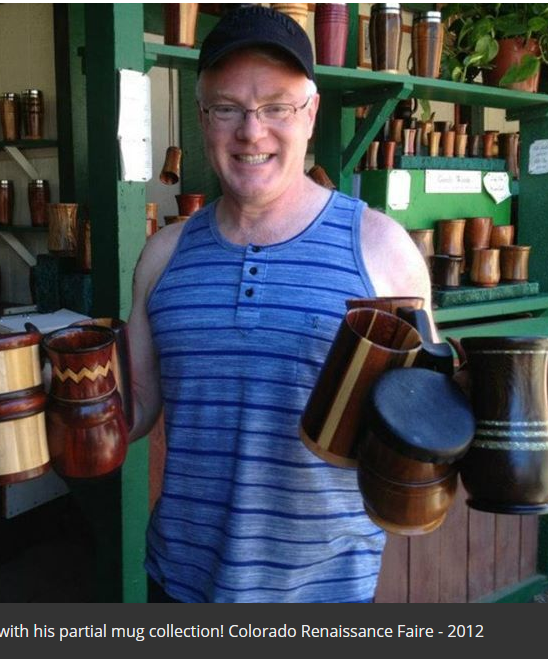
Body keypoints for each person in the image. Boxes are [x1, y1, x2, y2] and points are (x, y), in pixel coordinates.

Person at [127, 6, 433, 603]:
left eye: (277, 107)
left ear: (311, 114)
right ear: (202, 118)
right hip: (182, 577)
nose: (251, 130)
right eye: (228, 108)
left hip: (324, 589)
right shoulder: (162, 254)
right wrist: (40, 397)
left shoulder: (382, 250)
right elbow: (136, 410)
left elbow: (419, 424)